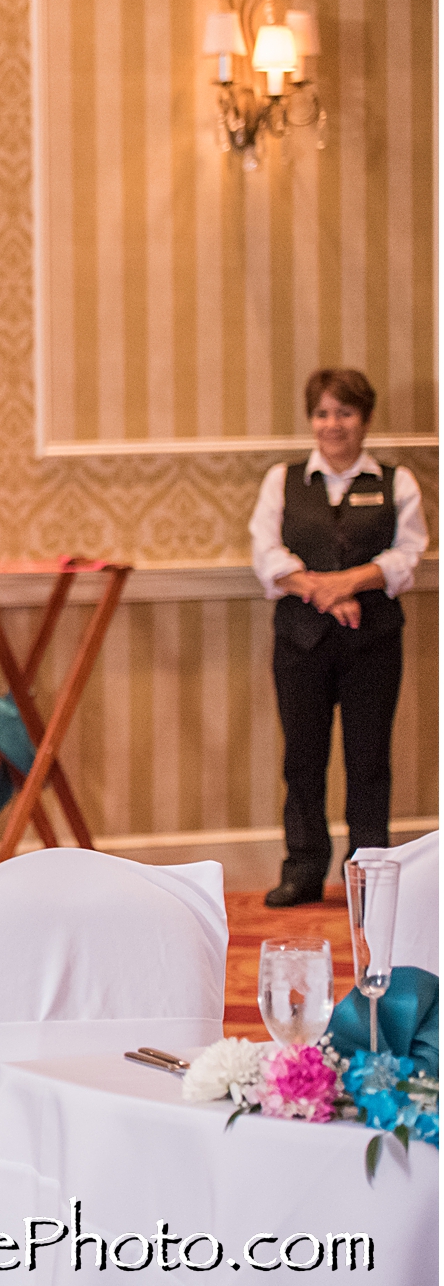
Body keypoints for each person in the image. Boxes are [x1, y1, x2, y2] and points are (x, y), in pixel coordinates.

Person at [249, 367, 428, 907]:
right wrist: (323, 591)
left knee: (368, 758)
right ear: (311, 420)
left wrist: (348, 582)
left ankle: (370, 873)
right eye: (323, 413)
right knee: (302, 759)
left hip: (373, 643)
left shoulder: (396, 481)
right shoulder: (282, 480)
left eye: (345, 413)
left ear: (365, 420)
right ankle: (303, 869)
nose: (333, 424)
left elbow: (406, 556)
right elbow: (267, 556)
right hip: (299, 643)